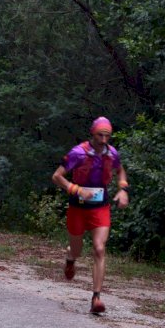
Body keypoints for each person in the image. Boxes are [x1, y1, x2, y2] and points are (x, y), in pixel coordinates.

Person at [52, 116, 129, 314]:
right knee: (77, 250)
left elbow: (120, 171)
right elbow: (57, 176)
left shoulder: (112, 154)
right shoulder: (78, 153)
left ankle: (96, 298)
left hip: (100, 207)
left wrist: (123, 189)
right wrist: (76, 189)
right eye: (100, 136)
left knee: (99, 248)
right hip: (78, 207)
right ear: (92, 134)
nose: (104, 140)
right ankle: (70, 258)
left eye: (107, 136)